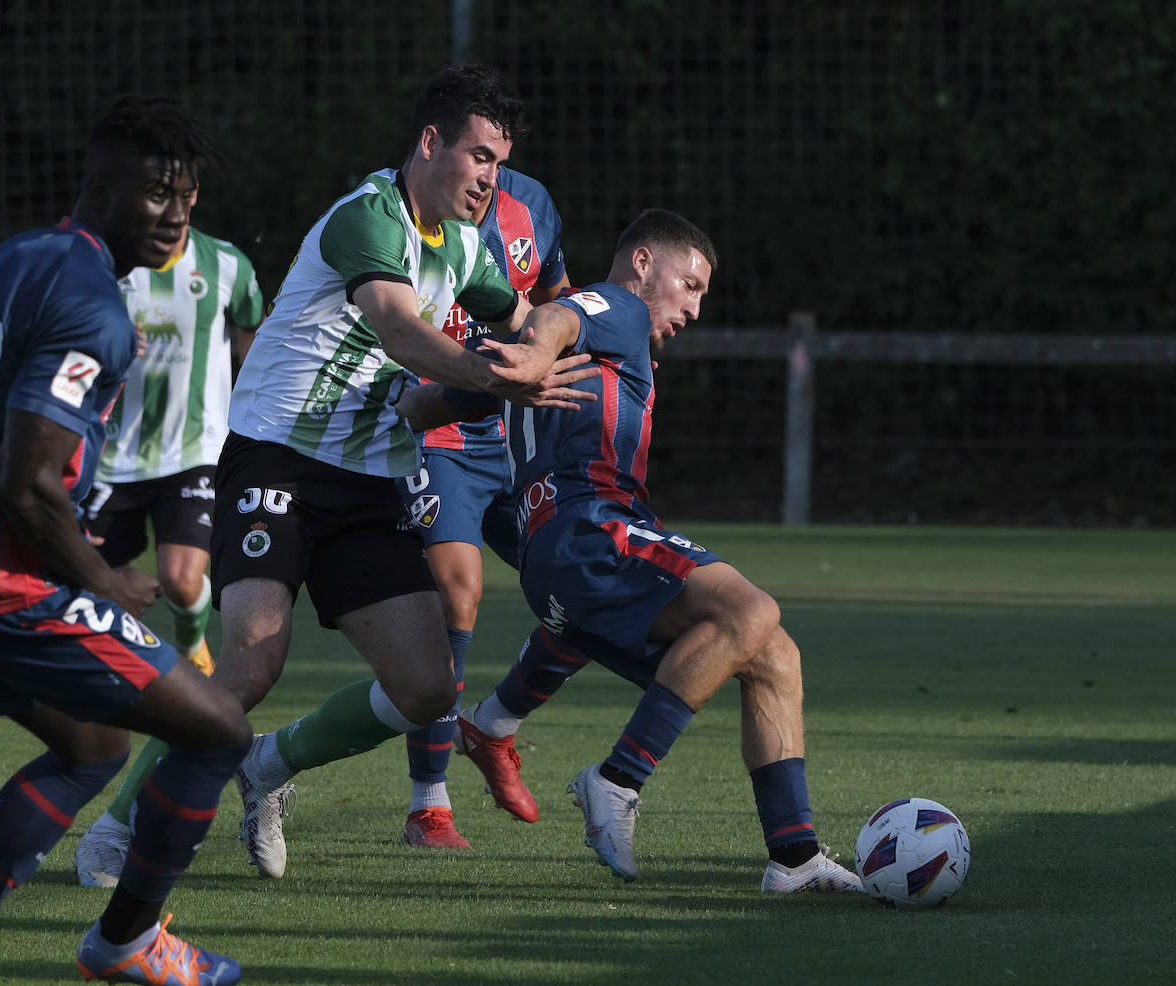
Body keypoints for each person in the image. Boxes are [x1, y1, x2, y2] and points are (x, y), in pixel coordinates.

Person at [0, 95, 253, 986]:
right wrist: (107, 577)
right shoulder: (95, 309)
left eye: (188, 197)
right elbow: (28, 488)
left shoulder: (1, 260)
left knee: (90, 746)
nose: (175, 213)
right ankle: (127, 938)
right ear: (100, 186)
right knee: (219, 729)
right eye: (157, 192)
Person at [211, 63, 597, 879]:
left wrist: (594, 334)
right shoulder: (369, 216)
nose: (492, 179)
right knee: (248, 668)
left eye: (501, 162)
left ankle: (268, 766)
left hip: (367, 479)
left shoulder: (463, 245)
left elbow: (531, 318)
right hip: (277, 454)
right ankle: (117, 827)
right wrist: (501, 376)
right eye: (481, 156)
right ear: (430, 143)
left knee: (428, 687)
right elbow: (402, 332)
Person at [400, 208, 862, 891]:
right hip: (589, 529)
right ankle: (616, 779)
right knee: (751, 610)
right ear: (644, 263)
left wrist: (396, 412)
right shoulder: (617, 308)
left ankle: (793, 858)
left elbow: (433, 405)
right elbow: (559, 317)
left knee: (774, 657)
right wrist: (534, 344)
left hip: (555, 557)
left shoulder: (581, 351)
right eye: (691, 284)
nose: (695, 308)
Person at [392, 163, 582, 846]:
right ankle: (429, 805)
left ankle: (494, 725)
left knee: (581, 584)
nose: (484, 167)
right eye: (475, 148)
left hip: (516, 432)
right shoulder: (400, 204)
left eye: (497, 151)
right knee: (458, 594)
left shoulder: (533, 203)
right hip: (438, 425)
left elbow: (559, 302)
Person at [72, 222, 263, 887]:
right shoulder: (109, 266)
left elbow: (251, 346)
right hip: (112, 457)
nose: (175, 206)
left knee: (184, 580)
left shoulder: (228, 265)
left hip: (195, 451)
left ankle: (193, 650)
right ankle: (57, 780)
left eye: (187, 191)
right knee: (79, 604)